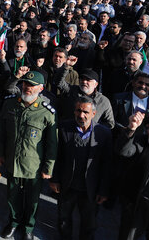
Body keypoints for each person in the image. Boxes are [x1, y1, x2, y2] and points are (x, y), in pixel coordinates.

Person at [0, 71, 57, 240]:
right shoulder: (10, 105)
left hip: (33, 165)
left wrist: (49, 167)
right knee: (12, 195)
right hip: (12, 160)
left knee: (32, 200)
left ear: (41, 88)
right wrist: (0, 153)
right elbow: (2, 132)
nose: (26, 88)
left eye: (31, 85)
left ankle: (29, 227)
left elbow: (52, 143)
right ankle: (14, 223)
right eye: (24, 84)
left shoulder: (47, 112)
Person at [50, 96, 112, 240]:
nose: (81, 115)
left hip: (90, 189)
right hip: (67, 185)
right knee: (64, 218)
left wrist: (103, 190)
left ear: (94, 114)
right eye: (78, 110)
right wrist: (54, 179)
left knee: (89, 222)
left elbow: (107, 165)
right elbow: (57, 156)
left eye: (85, 112)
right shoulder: (64, 127)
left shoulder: (104, 133)